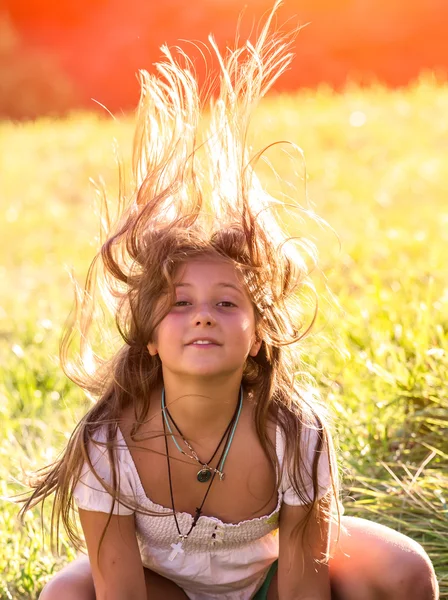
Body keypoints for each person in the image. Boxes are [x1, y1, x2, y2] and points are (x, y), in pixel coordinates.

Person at [19, 3, 438, 599]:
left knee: (404, 568)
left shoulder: (294, 432)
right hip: (167, 589)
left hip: (267, 580)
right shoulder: (109, 444)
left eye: (226, 303)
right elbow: (120, 589)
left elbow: (302, 577)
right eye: (180, 303)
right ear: (148, 334)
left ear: (260, 334)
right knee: (64, 592)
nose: (202, 314)